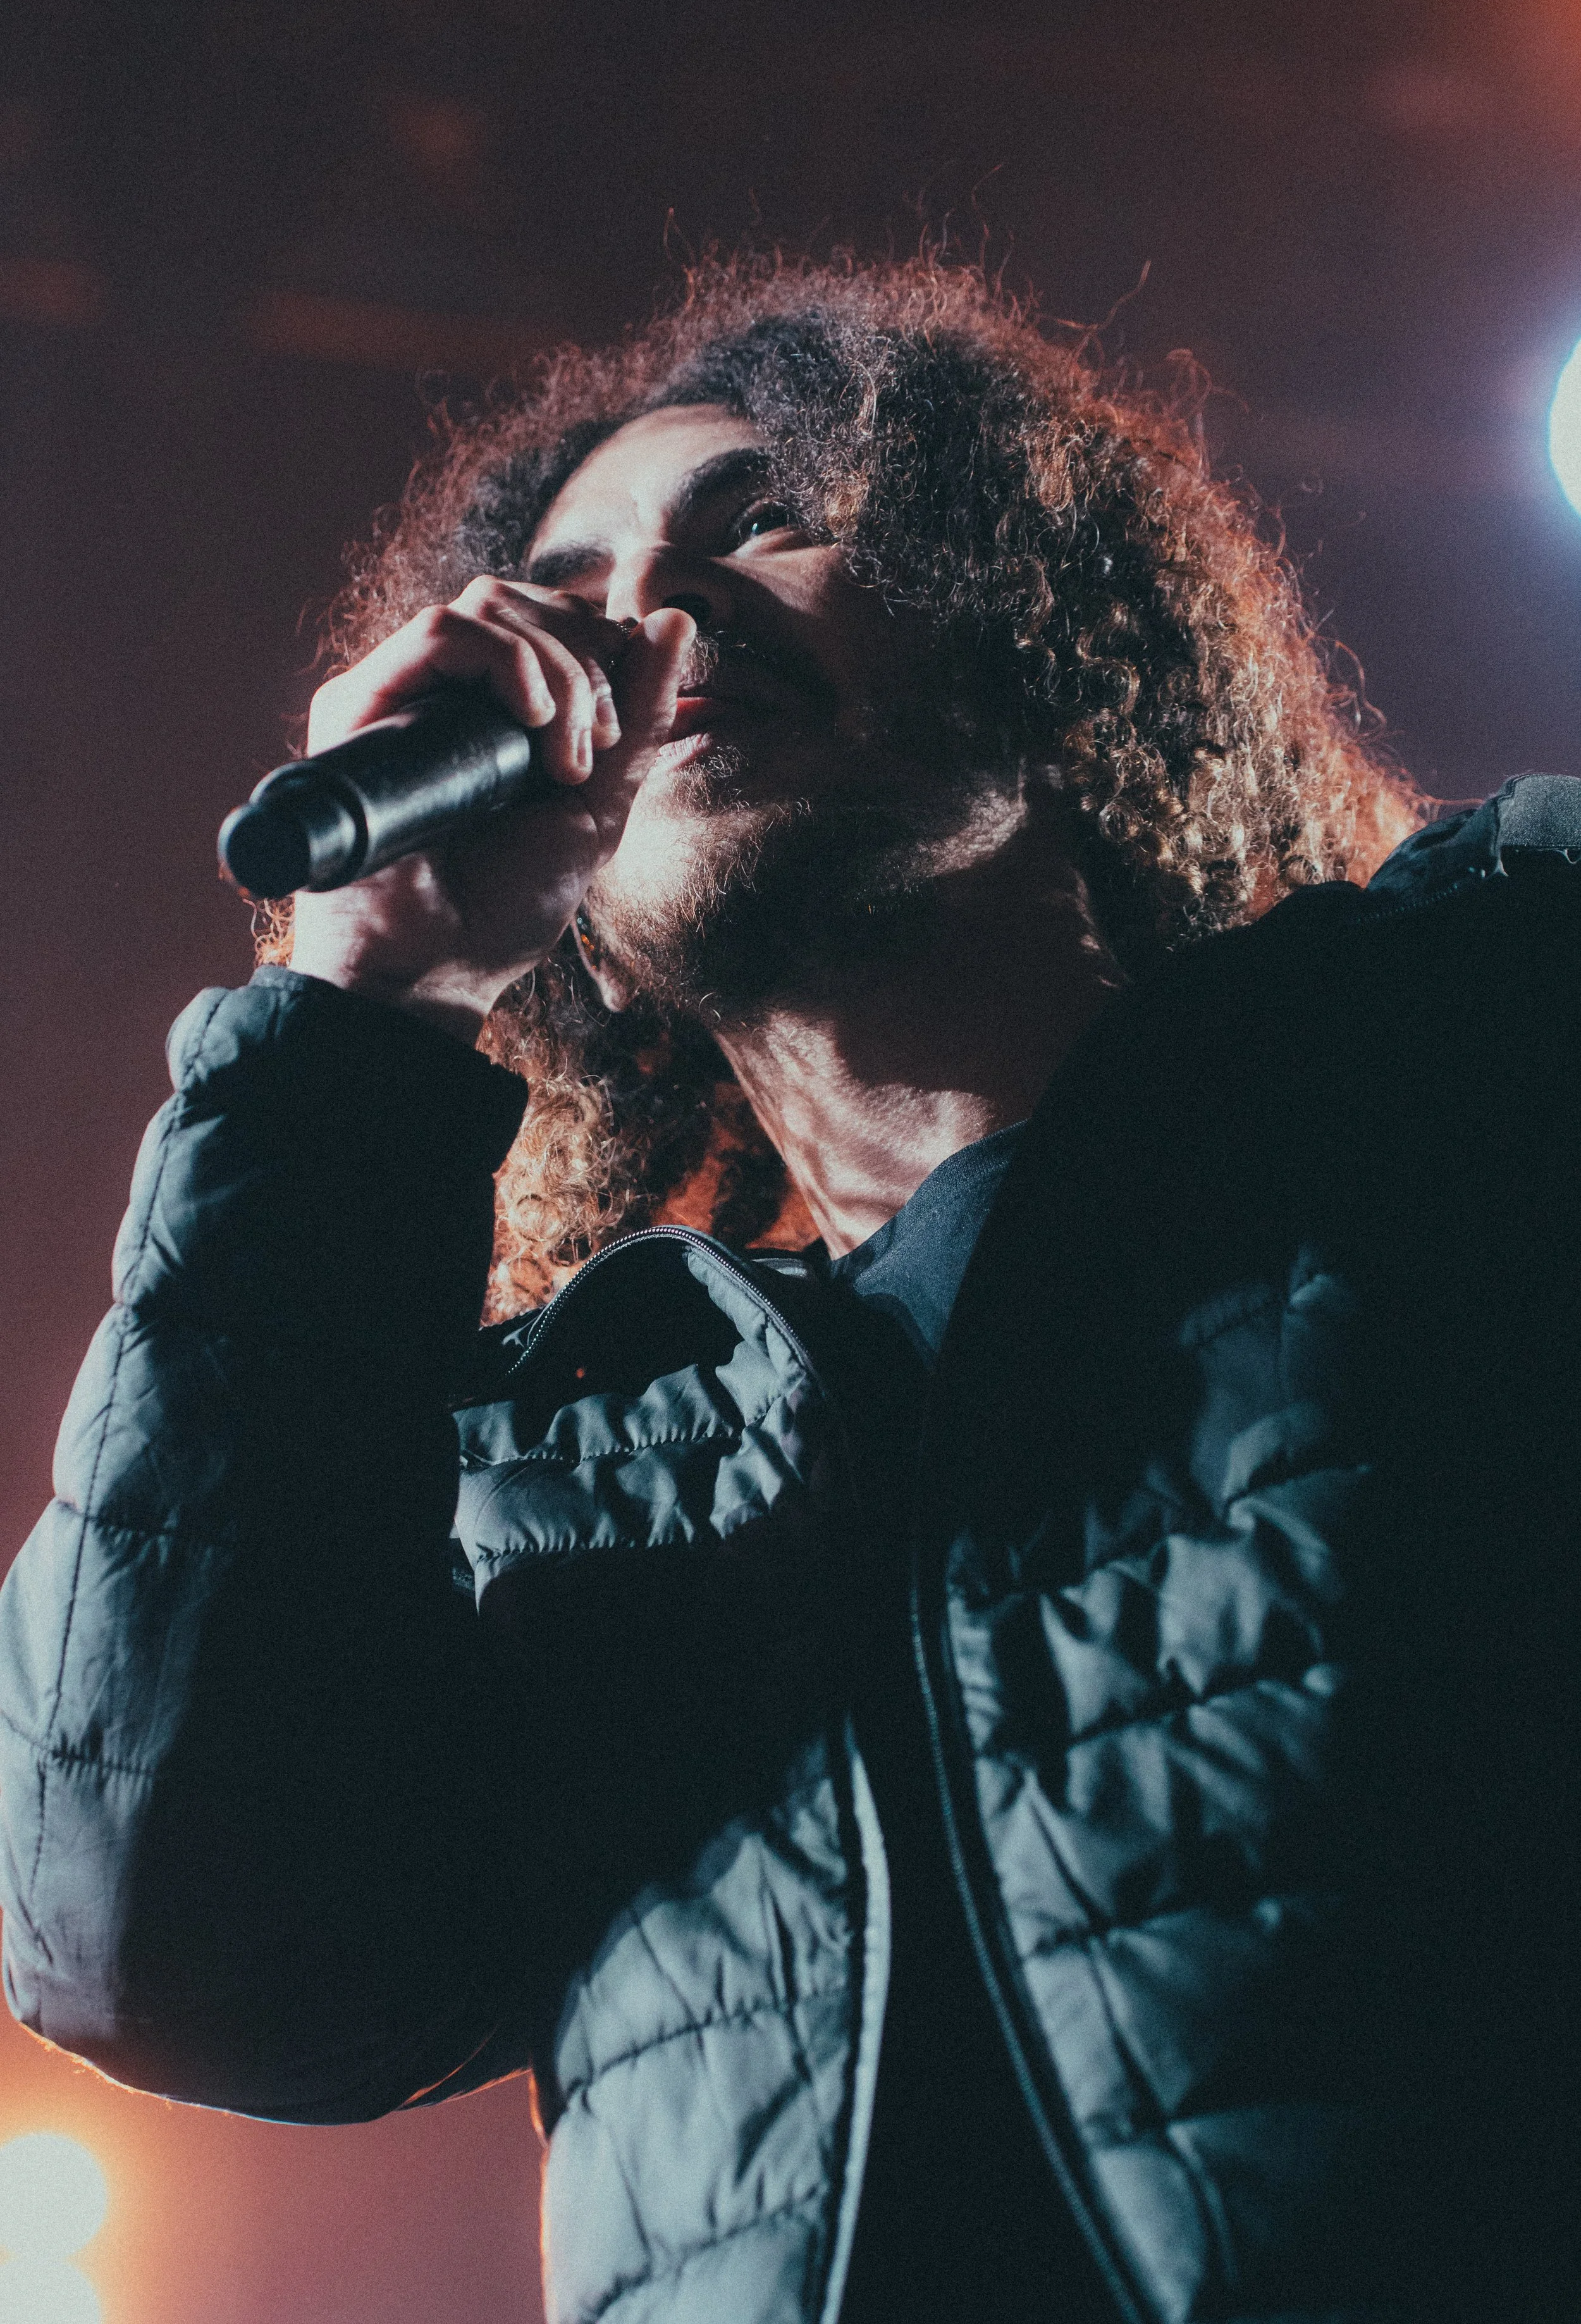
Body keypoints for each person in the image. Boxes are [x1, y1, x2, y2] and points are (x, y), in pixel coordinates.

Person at [1, 257, 1577, 2324]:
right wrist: (357, 1022)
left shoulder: (1466, 1038)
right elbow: (158, 1937)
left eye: (762, 516)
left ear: (1038, 606)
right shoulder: (571, 1473)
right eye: (575, 589)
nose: (653, 616)